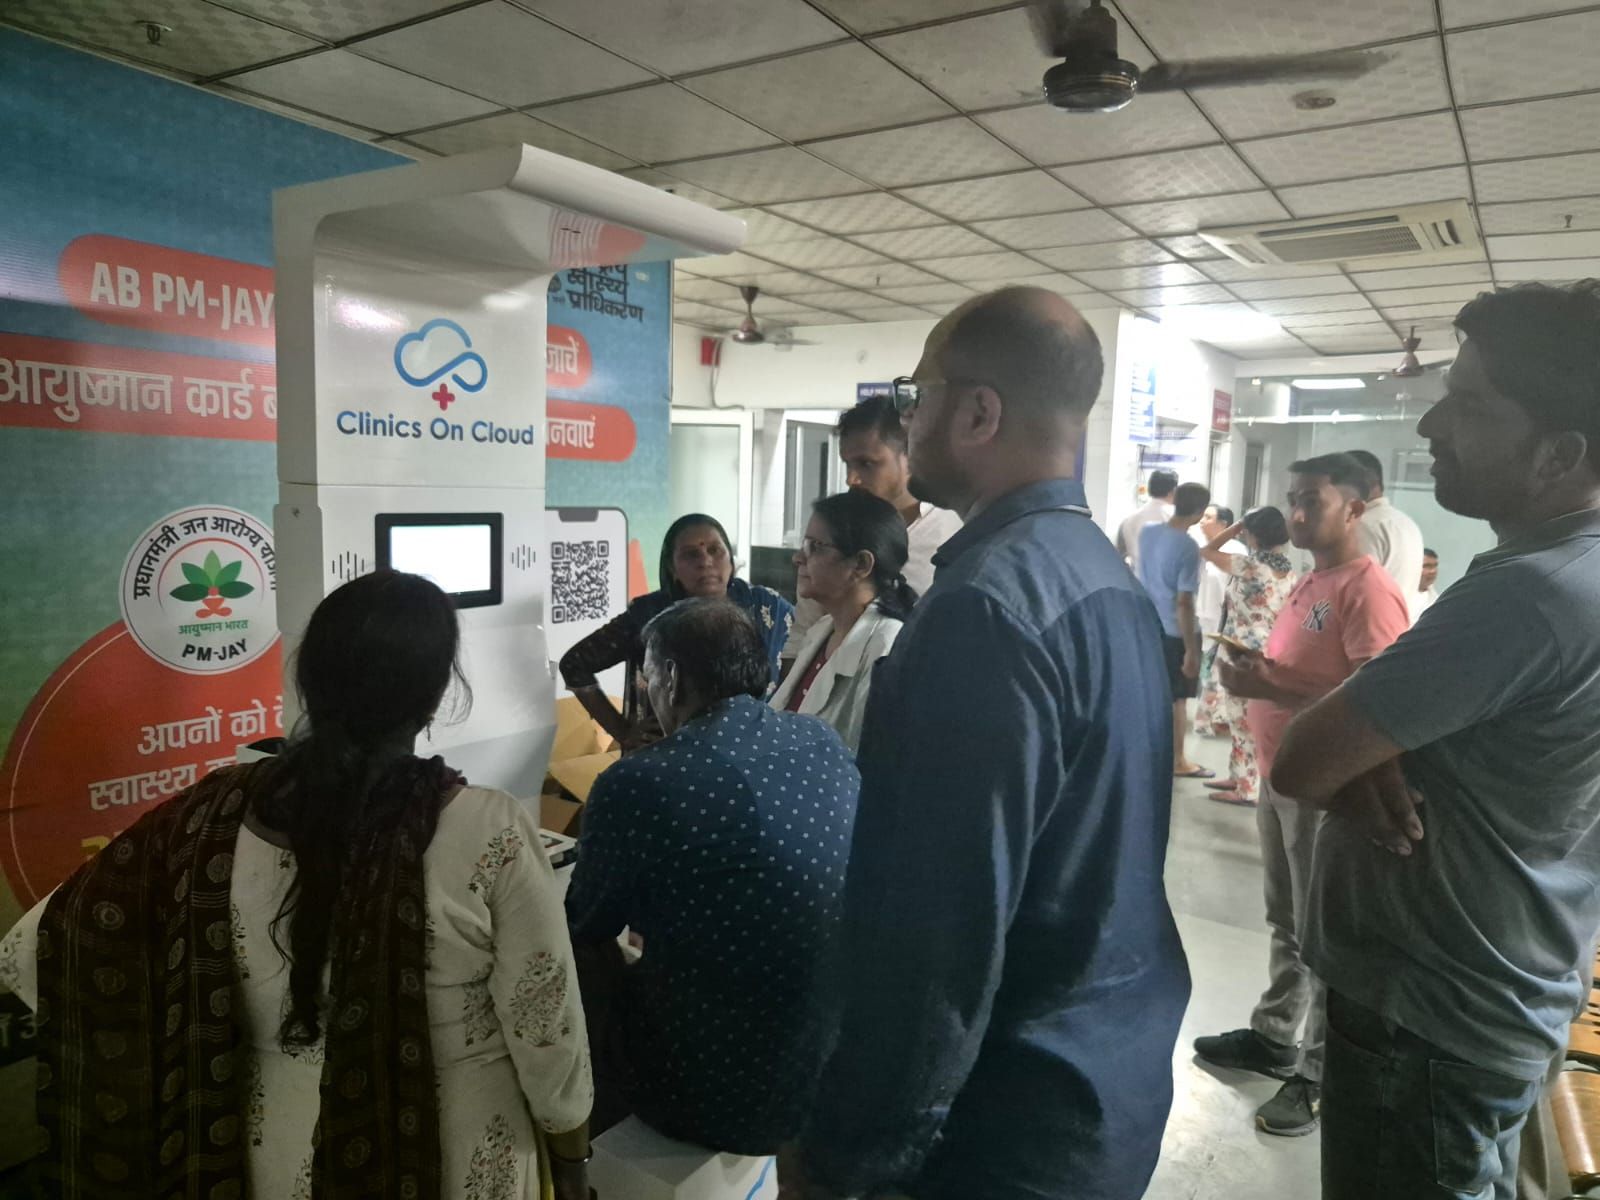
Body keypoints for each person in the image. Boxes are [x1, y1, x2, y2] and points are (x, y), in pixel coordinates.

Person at [0, 571, 594, 1200]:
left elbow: (31, 948)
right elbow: (547, 1031)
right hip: (454, 1154)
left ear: (310, 682)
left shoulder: (211, 813)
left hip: (268, 1151)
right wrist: (573, 1161)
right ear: (436, 694)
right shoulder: (490, 831)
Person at [784, 287, 1189, 1200]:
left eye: (915, 395)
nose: (907, 417)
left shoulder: (985, 611)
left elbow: (937, 939)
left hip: (998, 1126)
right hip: (1102, 1085)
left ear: (977, 413)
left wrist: (850, 1157)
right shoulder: (1103, 579)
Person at [1270, 281, 1600, 1200]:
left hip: (1431, 1016)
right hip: (1506, 984)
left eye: (1472, 405)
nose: (1431, 427)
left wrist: (1366, 752)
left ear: (1560, 454)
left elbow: (1303, 760)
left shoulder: (1529, 595)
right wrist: (1377, 750)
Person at [566, 598, 859, 1154]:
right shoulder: (820, 740)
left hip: (717, 1089)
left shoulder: (642, 781)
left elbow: (585, 923)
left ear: (672, 678)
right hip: (831, 1065)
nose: (649, 689)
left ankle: (575, 1150)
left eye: (648, 675)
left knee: (569, 958)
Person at [1193, 453, 1410, 1137]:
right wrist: (1265, 673)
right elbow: (1308, 673)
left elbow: (1379, 701)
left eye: (1312, 499)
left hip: (1327, 788)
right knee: (1287, 920)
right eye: (1292, 498)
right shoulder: (1311, 581)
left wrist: (1272, 685)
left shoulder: (1366, 589)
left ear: (1355, 508)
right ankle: (1275, 1035)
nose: (1296, 512)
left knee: (1326, 936)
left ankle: (1319, 1075)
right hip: (1280, 773)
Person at [560, 513, 793, 749]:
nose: (705, 561)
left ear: (731, 561)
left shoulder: (766, 606)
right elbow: (574, 664)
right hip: (668, 751)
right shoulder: (649, 614)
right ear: (672, 568)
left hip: (751, 748)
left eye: (715, 550)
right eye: (691, 554)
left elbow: (801, 650)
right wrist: (622, 731)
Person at [783, 397, 960, 659]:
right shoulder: (834, 530)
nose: (851, 479)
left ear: (909, 455)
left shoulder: (953, 532)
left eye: (866, 464)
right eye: (847, 464)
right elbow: (802, 632)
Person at [771, 490, 917, 752]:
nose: (798, 558)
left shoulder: (887, 646)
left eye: (815, 547)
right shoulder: (822, 630)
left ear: (861, 564)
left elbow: (870, 755)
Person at [1192, 506, 1298, 805]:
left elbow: (1206, 551)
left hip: (1241, 650)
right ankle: (1239, 776)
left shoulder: (1249, 566)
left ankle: (1246, 788)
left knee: (1242, 720)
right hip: (1269, 650)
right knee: (1246, 719)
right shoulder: (1288, 571)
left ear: (1253, 534)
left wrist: (1235, 526)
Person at [1139, 481, 1213, 779]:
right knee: (1176, 699)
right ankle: (1177, 760)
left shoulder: (1148, 533)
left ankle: (1149, 754)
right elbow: (1184, 602)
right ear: (1200, 512)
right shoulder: (1188, 547)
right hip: (1174, 631)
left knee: (1152, 694)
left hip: (1148, 625)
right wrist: (1192, 650)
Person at [1348, 447, 1427, 619]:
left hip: (1371, 628)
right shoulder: (1407, 523)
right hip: (1402, 625)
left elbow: (1357, 595)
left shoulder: (1363, 526)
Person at [1117, 466, 1179, 572]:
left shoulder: (1129, 519)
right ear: (1173, 490)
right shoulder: (1177, 518)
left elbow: (1119, 556)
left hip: (1137, 578)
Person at [1414, 545, 1440, 617]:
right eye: (1426, 566)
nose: (1433, 571)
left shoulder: (1435, 597)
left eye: (1435, 566)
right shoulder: (1403, 596)